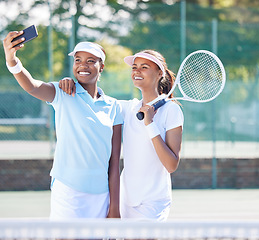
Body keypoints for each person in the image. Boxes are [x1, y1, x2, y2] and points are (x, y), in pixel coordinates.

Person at [3, 31, 123, 219]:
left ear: (102, 67)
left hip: (101, 195)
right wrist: (12, 60)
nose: (83, 65)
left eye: (91, 60)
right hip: (68, 191)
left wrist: (114, 207)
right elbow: (32, 86)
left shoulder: (114, 106)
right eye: (78, 60)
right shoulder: (63, 92)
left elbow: (114, 161)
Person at [59, 49, 184, 221]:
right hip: (126, 199)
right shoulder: (125, 108)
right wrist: (72, 83)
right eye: (134, 67)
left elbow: (171, 165)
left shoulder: (172, 110)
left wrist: (150, 124)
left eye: (144, 67)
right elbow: (95, 99)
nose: (137, 71)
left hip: (154, 202)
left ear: (159, 73)